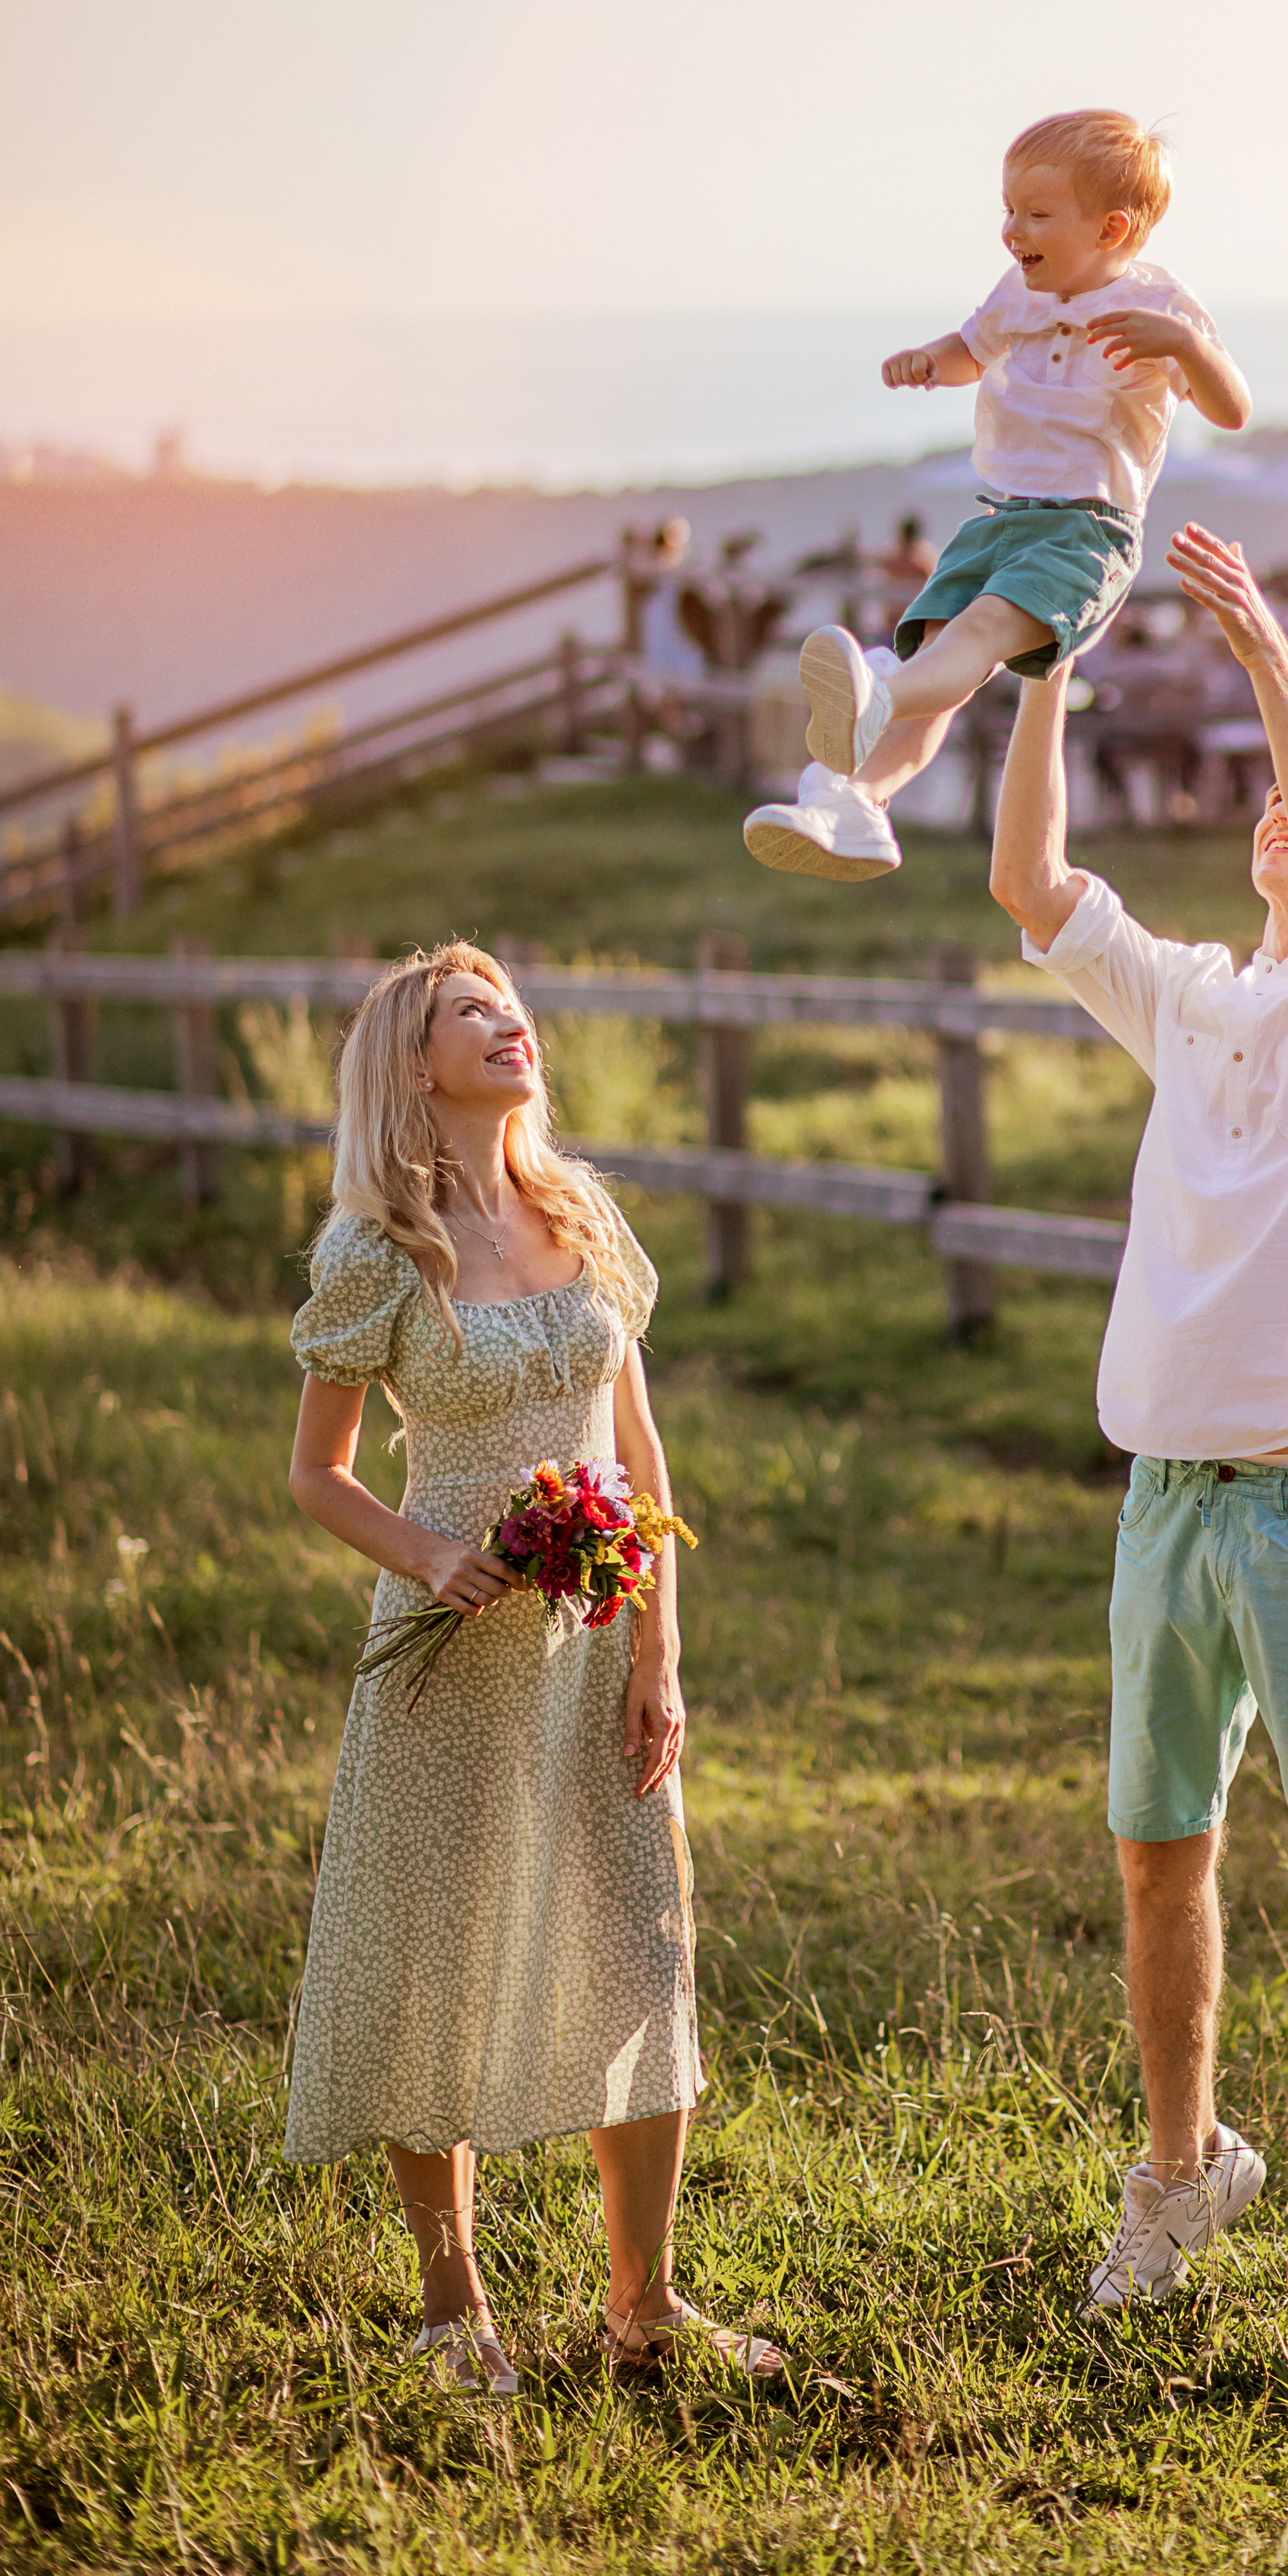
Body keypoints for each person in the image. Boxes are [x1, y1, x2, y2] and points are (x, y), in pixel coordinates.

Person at [988, 524, 1288, 2396]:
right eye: (1281, 784)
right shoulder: (1195, 994)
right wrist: (1042, 662)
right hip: (1167, 1495)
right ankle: (1182, 2173)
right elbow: (1029, 880)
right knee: (1153, 1858)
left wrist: (1271, 650)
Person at [285, 942, 781, 2389]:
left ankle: (646, 2304)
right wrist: (426, 1552)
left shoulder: (581, 1212)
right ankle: (454, 2307)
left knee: (640, 1950)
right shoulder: (376, 1249)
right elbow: (317, 1473)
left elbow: (641, 1458)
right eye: (471, 1013)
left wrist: (658, 1654)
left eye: (512, 1008)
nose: (512, 1027)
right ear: (412, 1062)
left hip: (595, 1644)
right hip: (449, 1649)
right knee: (431, 1955)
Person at [742, 110, 1249, 882]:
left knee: (973, 638)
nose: (1013, 230)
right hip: (1001, 518)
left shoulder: (1163, 310)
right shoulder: (1018, 293)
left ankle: (876, 695)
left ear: (1111, 229)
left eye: (1037, 214)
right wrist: (929, 361)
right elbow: (971, 350)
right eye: (1008, 209)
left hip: (1085, 531)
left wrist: (1187, 347)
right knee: (941, 668)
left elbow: (1231, 410)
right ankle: (859, 805)